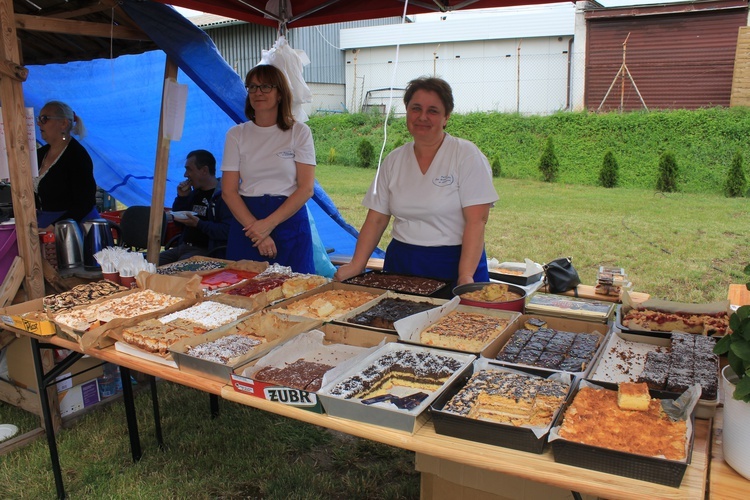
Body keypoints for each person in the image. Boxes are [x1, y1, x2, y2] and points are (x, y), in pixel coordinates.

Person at [334, 77, 499, 287]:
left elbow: (477, 222)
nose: (422, 117)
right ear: (407, 112)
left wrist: (466, 276)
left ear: (446, 117)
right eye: (416, 108)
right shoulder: (394, 160)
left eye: (433, 111)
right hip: (402, 262)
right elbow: (376, 220)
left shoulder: (466, 155)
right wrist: (357, 265)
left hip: (455, 262)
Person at [221, 64, 317, 273]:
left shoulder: (299, 132)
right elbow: (228, 191)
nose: (258, 93)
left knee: (297, 292)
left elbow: (306, 188)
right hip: (247, 221)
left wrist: (268, 225)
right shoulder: (236, 134)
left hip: (288, 220)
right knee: (243, 291)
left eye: (266, 87)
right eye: (252, 87)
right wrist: (257, 231)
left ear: (280, 93)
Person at [158, 150, 232, 266]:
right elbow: (178, 223)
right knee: (148, 264)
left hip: (206, 251)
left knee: (175, 272)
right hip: (182, 247)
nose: (185, 175)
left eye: (189, 169)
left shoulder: (223, 197)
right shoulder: (194, 193)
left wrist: (199, 224)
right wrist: (182, 198)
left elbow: (227, 231)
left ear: (204, 170)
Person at [34, 101, 98, 228]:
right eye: (39, 118)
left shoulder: (77, 156)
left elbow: (85, 203)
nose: (39, 123)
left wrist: (55, 226)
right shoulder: (39, 154)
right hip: (45, 224)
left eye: (44, 119)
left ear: (63, 123)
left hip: (75, 227)